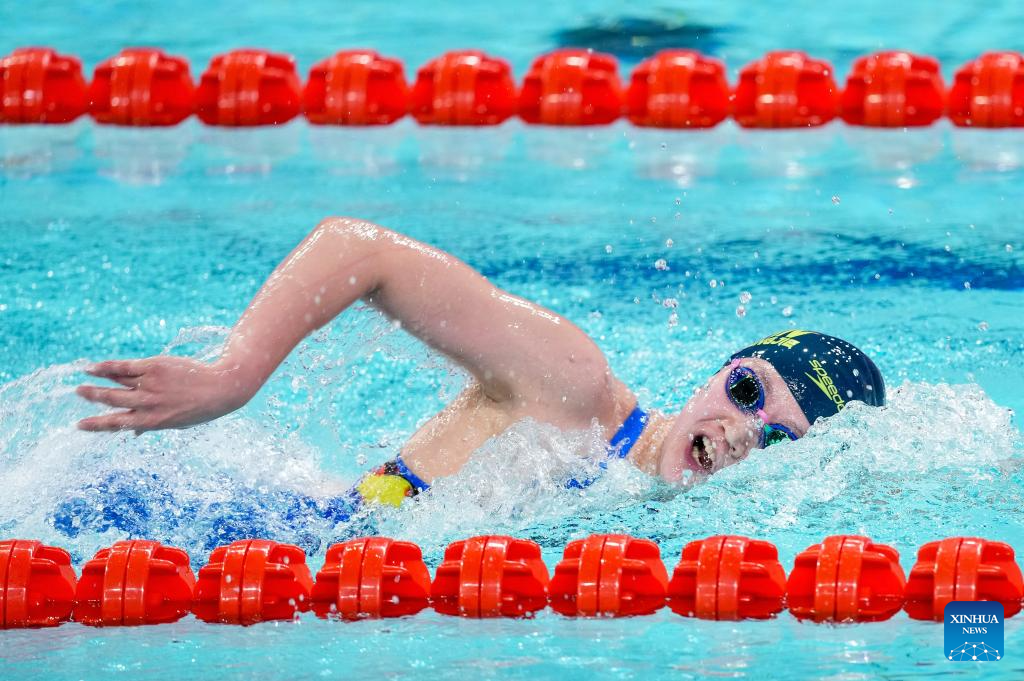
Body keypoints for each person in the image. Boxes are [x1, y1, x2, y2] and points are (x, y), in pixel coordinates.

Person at [76, 217, 886, 510]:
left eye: (778, 439)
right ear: (718, 371)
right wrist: (233, 377)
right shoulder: (576, 388)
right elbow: (359, 248)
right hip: (244, 538)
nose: (742, 432)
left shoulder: (654, 520)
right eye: (747, 391)